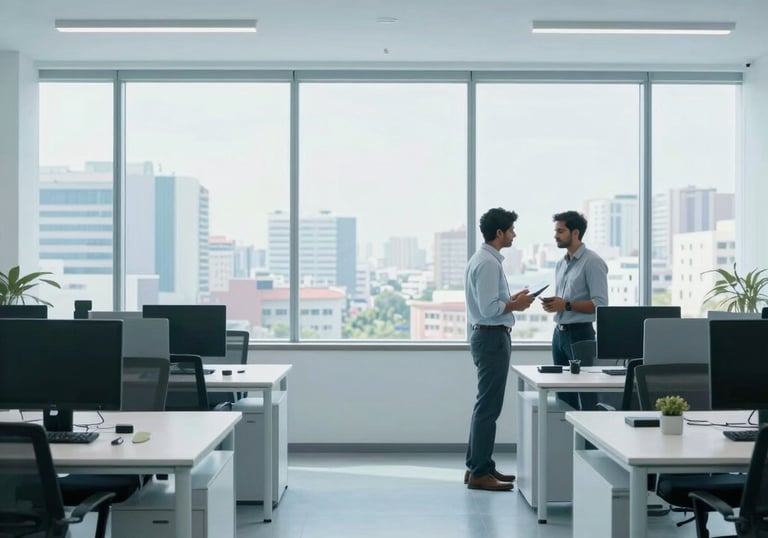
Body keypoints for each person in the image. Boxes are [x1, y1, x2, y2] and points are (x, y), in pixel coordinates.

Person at [464, 207, 535, 491]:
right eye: (511, 230)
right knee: (488, 407)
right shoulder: (488, 263)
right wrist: (514, 305)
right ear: (499, 233)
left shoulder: (483, 259)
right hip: (491, 338)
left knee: (486, 405)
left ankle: (479, 466)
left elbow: (492, 302)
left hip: (488, 336)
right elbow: (489, 308)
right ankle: (480, 471)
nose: (514, 234)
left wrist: (511, 299)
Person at [541, 210, 608, 410]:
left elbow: (601, 305)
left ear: (575, 233)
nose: (555, 235)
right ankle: (567, 441)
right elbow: (564, 301)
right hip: (559, 335)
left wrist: (567, 305)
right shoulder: (561, 264)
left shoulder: (592, 262)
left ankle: (589, 443)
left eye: (560, 231)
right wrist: (554, 305)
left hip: (581, 335)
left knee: (587, 397)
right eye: (556, 231)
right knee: (563, 397)